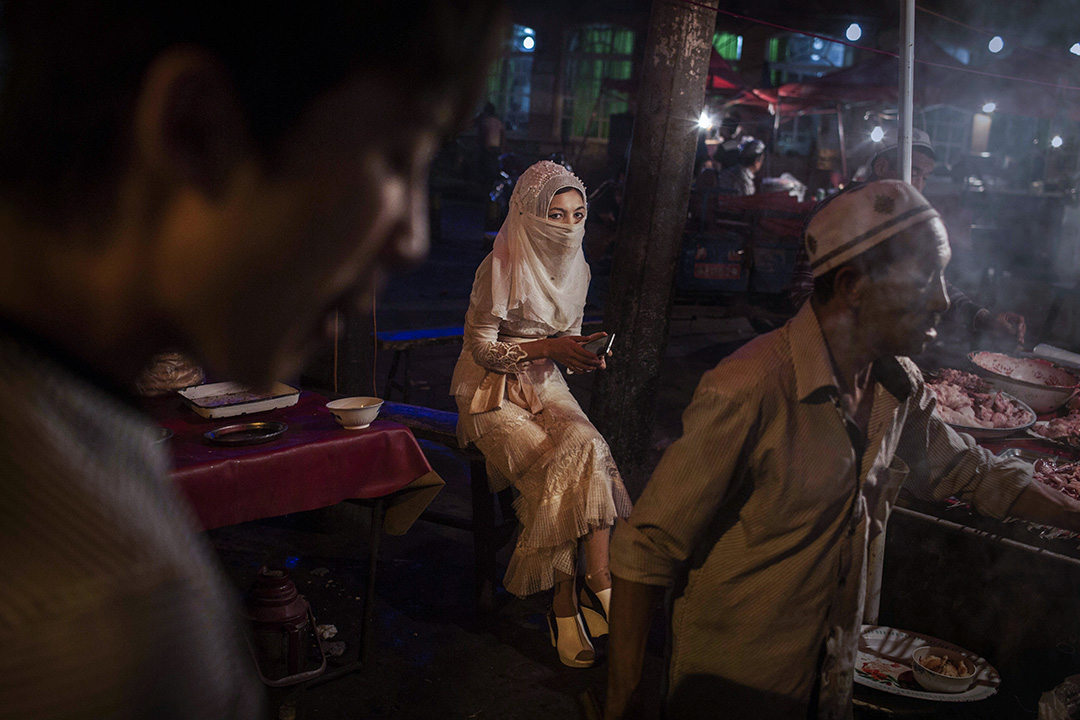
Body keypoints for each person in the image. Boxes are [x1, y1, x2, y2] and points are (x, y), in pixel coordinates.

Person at [0, 2, 504, 717]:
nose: (411, 239)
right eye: (395, 154)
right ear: (196, 129)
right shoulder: (107, 619)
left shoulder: (66, 415)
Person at [605, 180, 1080, 719]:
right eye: (927, 278)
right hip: (732, 689)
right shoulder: (753, 386)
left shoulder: (896, 384)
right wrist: (623, 697)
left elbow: (969, 471)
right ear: (853, 285)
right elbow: (646, 549)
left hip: (829, 680)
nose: (944, 301)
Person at [451, 160, 632, 668]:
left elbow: (564, 338)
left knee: (589, 446)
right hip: (489, 391)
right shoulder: (500, 264)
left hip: (543, 381)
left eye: (577, 215)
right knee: (558, 468)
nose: (568, 226)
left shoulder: (582, 269)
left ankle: (596, 582)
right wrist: (550, 345)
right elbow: (481, 348)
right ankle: (566, 603)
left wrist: (580, 352)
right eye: (555, 214)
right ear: (530, 214)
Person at [788, 128, 1026, 346]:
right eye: (913, 172)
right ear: (881, 167)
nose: (919, 186)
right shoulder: (837, 213)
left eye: (925, 177)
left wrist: (983, 317)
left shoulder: (904, 220)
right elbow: (803, 292)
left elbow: (929, 283)